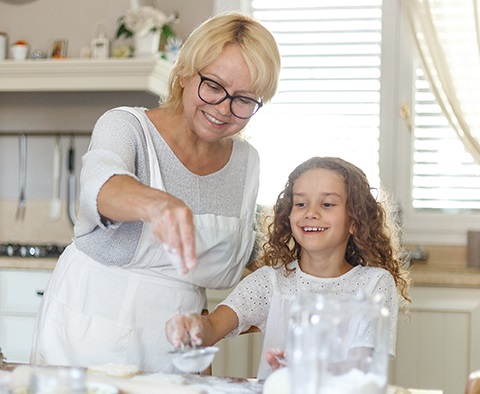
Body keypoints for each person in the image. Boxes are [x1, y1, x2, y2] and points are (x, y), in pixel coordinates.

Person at [30, 12, 281, 372]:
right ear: (183, 74)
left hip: (178, 347)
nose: (224, 108)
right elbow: (100, 186)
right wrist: (158, 205)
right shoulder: (126, 127)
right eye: (213, 85)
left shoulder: (247, 162)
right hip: (90, 336)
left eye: (244, 99)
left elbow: (249, 254)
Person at [166, 156, 412, 379]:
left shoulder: (374, 284)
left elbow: (364, 364)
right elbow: (212, 328)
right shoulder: (271, 281)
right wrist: (193, 327)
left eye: (327, 204)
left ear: (355, 222)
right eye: (301, 204)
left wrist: (304, 368)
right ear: (288, 215)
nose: (311, 213)